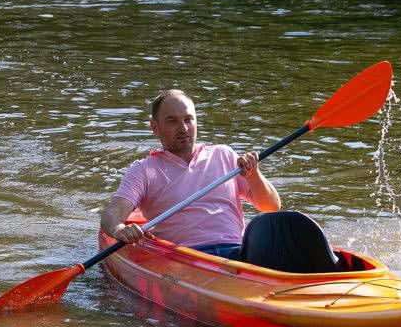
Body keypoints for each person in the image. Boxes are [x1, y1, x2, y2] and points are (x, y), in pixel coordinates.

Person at [100, 89, 281, 259]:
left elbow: (271, 206)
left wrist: (254, 175)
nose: (183, 128)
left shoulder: (224, 154)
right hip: (186, 259)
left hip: (237, 253)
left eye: (188, 119)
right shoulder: (144, 170)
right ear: (155, 127)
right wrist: (118, 229)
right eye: (172, 121)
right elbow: (112, 213)